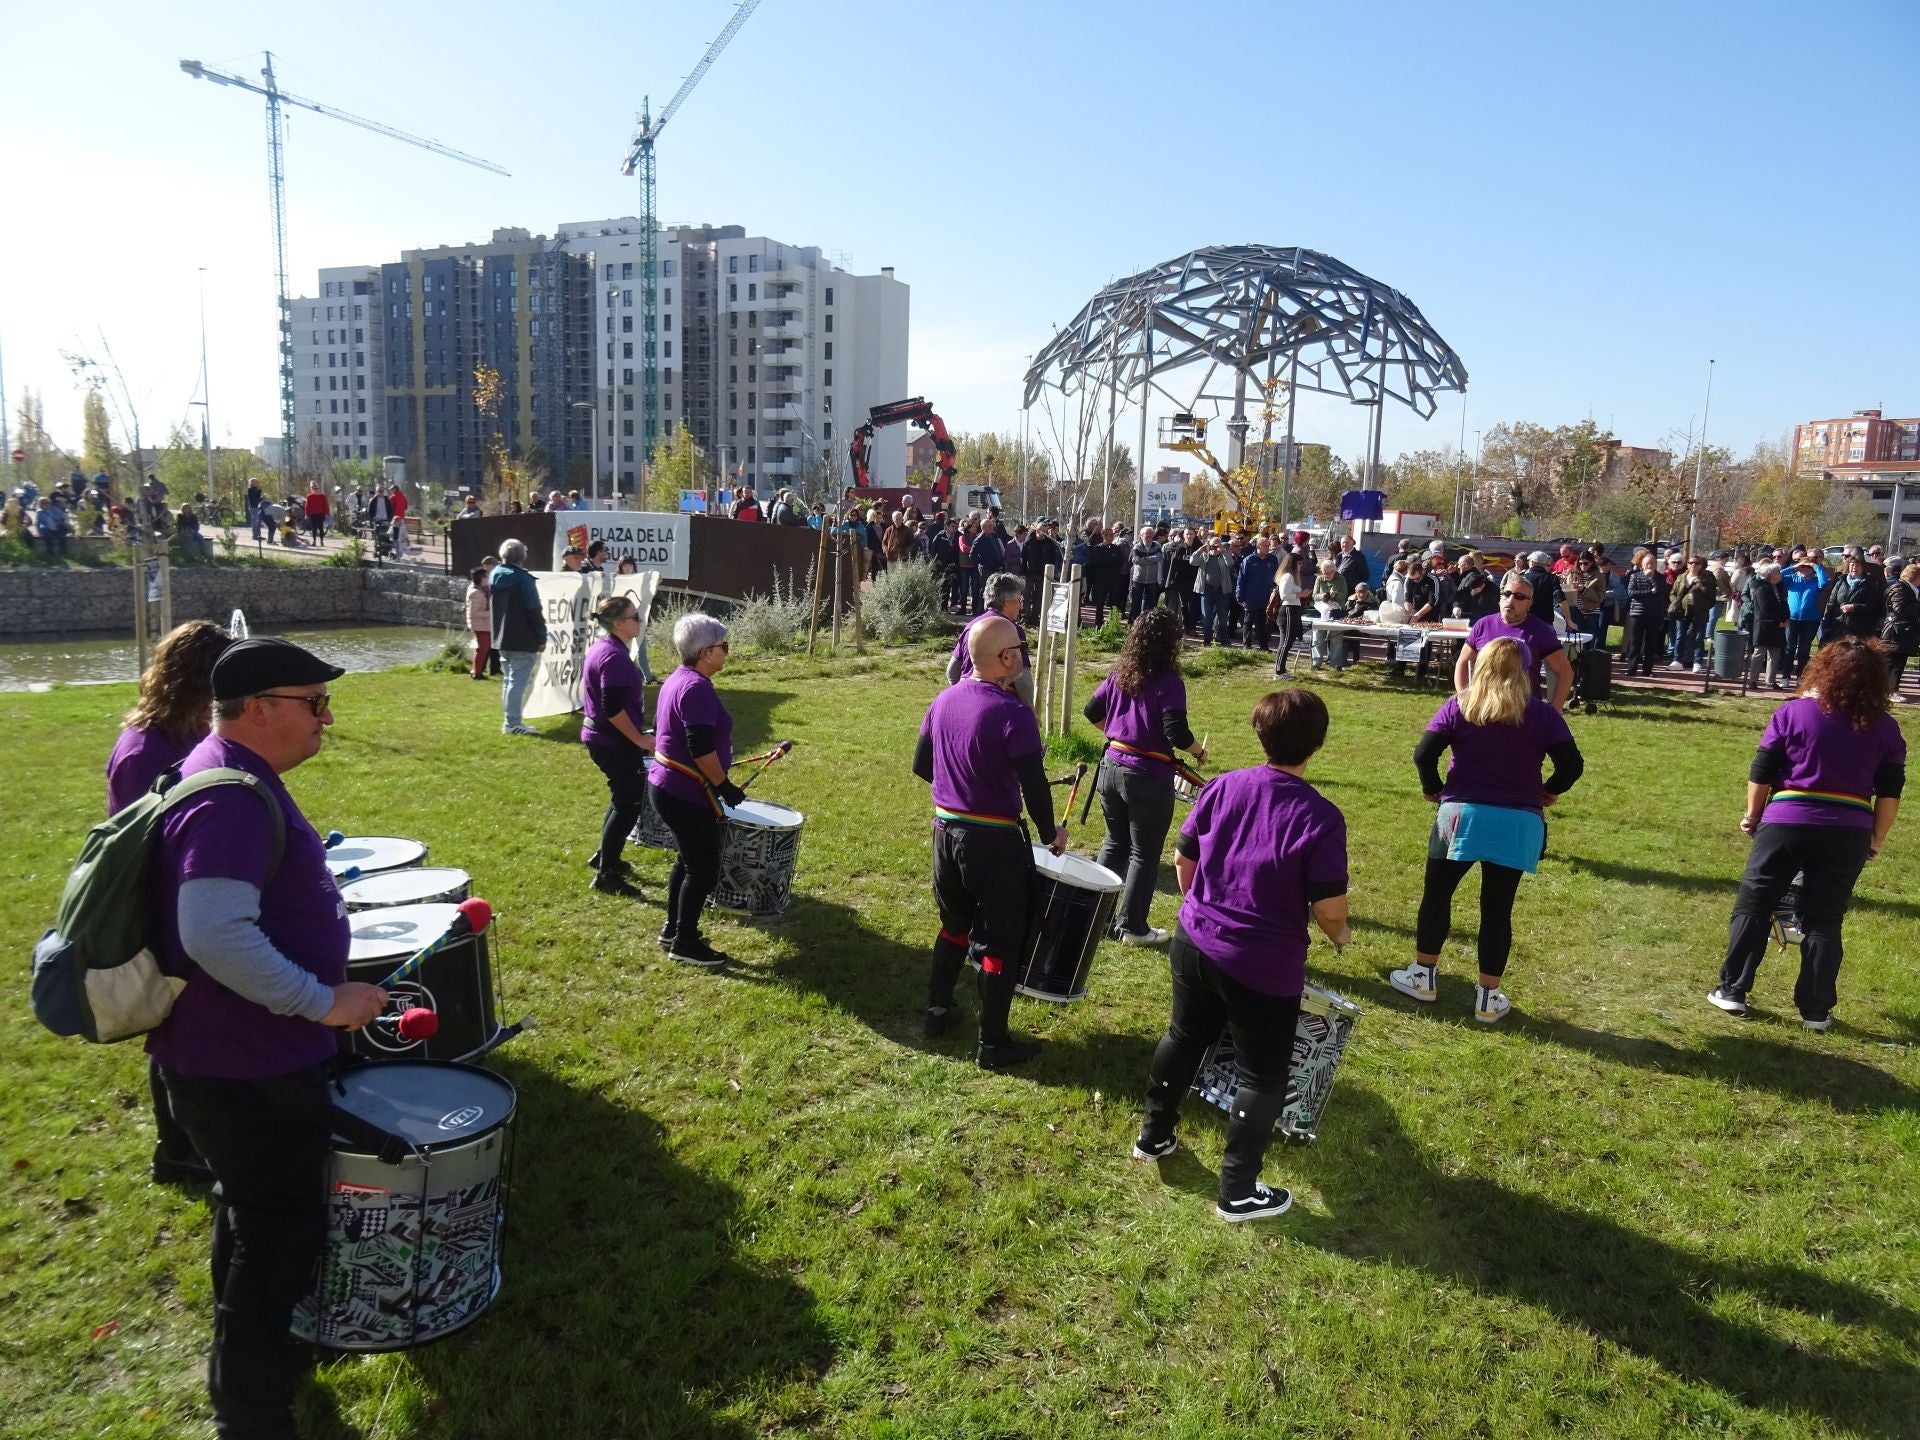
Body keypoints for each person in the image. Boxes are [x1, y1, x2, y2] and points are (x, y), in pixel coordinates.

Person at [148, 638, 391, 1440]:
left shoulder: (239, 776)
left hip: (239, 1058)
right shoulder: (228, 798)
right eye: (313, 703)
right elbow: (214, 933)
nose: (327, 719)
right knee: (278, 1230)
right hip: (243, 1064)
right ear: (259, 709)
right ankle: (250, 1410)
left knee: (252, 1212)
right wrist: (322, 1003)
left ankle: (251, 1365)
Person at [1130, 689, 1349, 1223]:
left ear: (1260, 734)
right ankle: (1237, 1191)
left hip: (1194, 941)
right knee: (1263, 1075)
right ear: (1316, 745)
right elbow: (1329, 909)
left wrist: (1200, 907)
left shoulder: (1224, 785)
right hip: (1261, 965)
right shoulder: (1320, 816)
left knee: (1184, 1035)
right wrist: (1341, 937)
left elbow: (1184, 861)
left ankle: (1153, 1136)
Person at [1709, 636, 1904, 1027]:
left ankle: (1732, 990)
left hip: (1787, 820)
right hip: (1849, 828)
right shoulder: (1885, 727)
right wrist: (1876, 837)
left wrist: (1752, 814)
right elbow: (1889, 791)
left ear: (1823, 670)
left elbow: (1762, 770)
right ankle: (1816, 1011)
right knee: (1826, 918)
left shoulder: (1793, 713)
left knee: (1755, 903)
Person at [1393, 638, 1584, 1022]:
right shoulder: (1544, 715)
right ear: (1527, 671)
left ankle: (1423, 975)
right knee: (1498, 909)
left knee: (1437, 895)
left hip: (1462, 815)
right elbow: (1572, 764)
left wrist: (1432, 789)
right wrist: (1549, 790)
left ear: (1481, 665)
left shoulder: (1460, 705)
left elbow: (1423, 753)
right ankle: (1488, 996)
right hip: (1517, 821)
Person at [106, 621, 234, 1186]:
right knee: (173, 1024)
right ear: (195, 683)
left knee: (186, 1018)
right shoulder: (146, 750)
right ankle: (178, 1150)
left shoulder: (184, 736)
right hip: (162, 907)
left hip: (185, 896)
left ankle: (188, 1141)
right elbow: (148, 843)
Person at [912, 614, 1064, 1069]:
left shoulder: (942, 700)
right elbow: (1034, 785)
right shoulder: (1013, 712)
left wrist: (960, 788)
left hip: (945, 834)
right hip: (993, 843)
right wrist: (1048, 832)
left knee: (954, 925)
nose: (1023, 657)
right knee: (1001, 944)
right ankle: (992, 1044)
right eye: (1018, 650)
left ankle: (937, 1010)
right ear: (1002, 658)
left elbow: (923, 766)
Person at [1084, 608, 1207, 945]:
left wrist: (1116, 734)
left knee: (1114, 843)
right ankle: (1132, 927)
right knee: (1144, 853)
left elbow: (1091, 711)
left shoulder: (1120, 673)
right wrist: (1198, 752)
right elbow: (1176, 731)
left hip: (1111, 767)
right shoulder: (1170, 682)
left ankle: (1096, 918)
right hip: (1147, 775)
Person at [649, 614, 743, 968]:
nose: (727, 653)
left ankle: (674, 928)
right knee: (703, 868)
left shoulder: (679, 678)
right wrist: (724, 785)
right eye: (724, 647)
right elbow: (700, 748)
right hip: (684, 792)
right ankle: (685, 942)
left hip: (669, 787)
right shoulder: (696, 687)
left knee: (687, 860)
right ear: (706, 652)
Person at [580, 594, 658, 896]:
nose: (639, 621)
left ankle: (605, 856)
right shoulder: (612, 656)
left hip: (606, 739)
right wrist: (638, 738)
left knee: (622, 799)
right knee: (628, 803)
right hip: (611, 742)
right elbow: (612, 708)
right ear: (618, 623)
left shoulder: (606, 648)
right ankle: (606, 875)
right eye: (634, 617)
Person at [1453, 572, 1573, 710]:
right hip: (1485, 706)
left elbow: (1565, 672)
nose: (1510, 600)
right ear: (1500, 598)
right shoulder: (1483, 625)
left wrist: (1555, 710)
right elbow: (1463, 663)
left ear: (1530, 603)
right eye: (1507, 594)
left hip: (1524, 710)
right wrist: (1463, 697)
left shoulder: (1541, 631)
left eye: (1519, 597)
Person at [947, 572, 1034, 708]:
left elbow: (952, 671)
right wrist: (1030, 711)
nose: (1020, 606)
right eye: (1019, 600)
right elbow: (1022, 678)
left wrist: (962, 693)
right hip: (1000, 706)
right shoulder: (1012, 631)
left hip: (966, 702)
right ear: (1007, 602)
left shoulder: (971, 626)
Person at [489, 538, 547, 735]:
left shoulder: (494, 574)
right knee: (517, 681)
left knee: (508, 680)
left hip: (502, 636)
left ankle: (509, 720)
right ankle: (513, 723)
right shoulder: (523, 579)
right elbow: (533, 609)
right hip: (523, 637)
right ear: (522, 556)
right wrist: (542, 636)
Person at [1742, 560, 1788, 690]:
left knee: (1775, 655)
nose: (1779, 574)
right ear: (1770, 575)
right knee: (1759, 654)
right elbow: (1765, 608)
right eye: (1777, 572)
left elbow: (1784, 604)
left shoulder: (1780, 587)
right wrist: (1778, 621)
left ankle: (1770, 681)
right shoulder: (1761, 588)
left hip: (1779, 626)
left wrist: (1786, 619)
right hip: (1764, 625)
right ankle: (1752, 680)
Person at [1667, 554, 1718, 672]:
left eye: (1696, 563)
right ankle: (1677, 661)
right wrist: (1676, 602)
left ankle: (1697, 662)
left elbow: (1711, 596)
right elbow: (1673, 593)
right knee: (1680, 636)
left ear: (1701, 565)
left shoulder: (1706, 578)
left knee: (1699, 637)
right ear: (1687, 564)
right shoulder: (1681, 577)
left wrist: (1701, 587)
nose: (1693, 565)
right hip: (1682, 611)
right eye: (1691, 563)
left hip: (1700, 612)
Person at [1782, 549, 1827, 682]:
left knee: (1804, 649)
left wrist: (1815, 567)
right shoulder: (1792, 578)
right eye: (1804, 566)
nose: (1806, 569)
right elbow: (1777, 575)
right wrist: (1795, 567)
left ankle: (1801, 675)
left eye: (1808, 567)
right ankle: (1785, 675)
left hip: (1811, 620)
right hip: (1792, 619)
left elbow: (1824, 583)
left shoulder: (1816, 580)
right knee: (1789, 648)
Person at [1625, 551, 1670, 677]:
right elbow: (1632, 593)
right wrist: (1651, 592)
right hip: (1637, 614)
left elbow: (1662, 591)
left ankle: (1647, 670)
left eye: (1653, 563)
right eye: (1647, 563)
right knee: (1635, 643)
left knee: (1651, 644)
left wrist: (1651, 578)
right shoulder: (1635, 576)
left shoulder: (1661, 577)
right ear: (1642, 565)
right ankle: (1631, 668)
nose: (1650, 565)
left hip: (1655, 614)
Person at [1823, 552, 1884, 641]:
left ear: (1863, 567)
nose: (1854, 568)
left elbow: (1873, 607)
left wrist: (1854, 607)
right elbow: (1831, 604)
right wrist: (1826, 625)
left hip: (1858, 629)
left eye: (1857, 565)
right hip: (1837, 627)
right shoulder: (1841, 581)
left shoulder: (1870, 584)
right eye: (1851, 565)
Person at [1884, 563, 1920, 698]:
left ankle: (1890, 689)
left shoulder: (1906, 588)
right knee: (1894, 662)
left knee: (1898, 661)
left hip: (1902, 631)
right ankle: (1891, 691)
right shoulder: (1900, 588)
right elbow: (1899, 609)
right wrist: (1917, 605)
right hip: (1896, 631)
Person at [1192, 534, 1234, 646]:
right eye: (1213, 545)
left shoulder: (1224, 555)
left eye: (1217, 545)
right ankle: (1207, 640)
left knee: (1223, 617)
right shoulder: (1204, 555)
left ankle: (1224, 640)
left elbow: (1230, 563)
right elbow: (1192, 562)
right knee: (1206, 616)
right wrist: (1199, 551)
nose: (1215, 548)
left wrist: (1223, 551)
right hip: (1207, 590)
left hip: (1222, 590)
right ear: (1208, 546)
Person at [1308, 558, 1349, 671]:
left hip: (1337, 611)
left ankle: (1335, 664)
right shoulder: (1319, 579)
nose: (1325, 575)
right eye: (1323, 573)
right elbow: (1314, 595)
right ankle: (1316, 662)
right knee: (1318, 636)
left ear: (1333, 571)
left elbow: (1344, 595)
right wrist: (1323, 596)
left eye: (1327, 573)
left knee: (1336, 638)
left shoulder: (1341, 579)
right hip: (1322, 611)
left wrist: (1335, 595)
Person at [465, 565, 496, 682]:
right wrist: (491, 613)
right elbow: (474, 613)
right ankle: (476, 673)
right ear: (481, 579)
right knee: (482, 649)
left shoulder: (482, 590)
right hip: (480, 625)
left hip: (484, 625)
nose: (489, 579)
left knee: (483, 648)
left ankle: (477, 671)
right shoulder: (476, 593)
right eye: (487, 576)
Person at [1128, 526, 1164, 620]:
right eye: (1146, 536)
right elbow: (1135, 560)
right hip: (1138, 579)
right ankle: (1133, 621)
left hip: (1152, 580)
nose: (1148, 538)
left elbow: (1159, 557)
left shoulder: (1157, 546)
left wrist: (1143, 560)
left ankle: (1147, 622)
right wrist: (1151, 560)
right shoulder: (1137, 546)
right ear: (1141, 536)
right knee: (1136, 601)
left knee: (1151, 603)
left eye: (1150, 536)